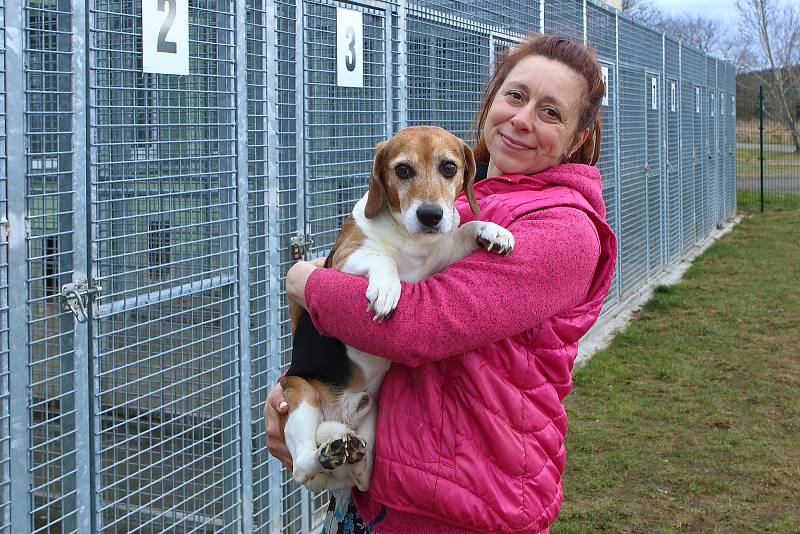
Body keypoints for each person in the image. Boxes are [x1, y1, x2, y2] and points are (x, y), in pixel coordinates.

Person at [264, 33, 617, 533]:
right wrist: (292, 395)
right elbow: (359, 318)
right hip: (383, 491)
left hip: (466, 507)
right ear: (492, 99)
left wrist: (306, 283)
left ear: (578, 138)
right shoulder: (456, 208)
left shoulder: (564, 231)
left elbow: (417, 324)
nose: (522, 119)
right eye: (514, 96)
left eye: (551, 112)